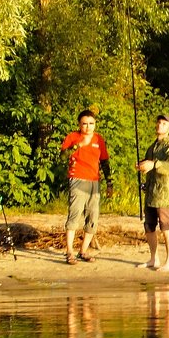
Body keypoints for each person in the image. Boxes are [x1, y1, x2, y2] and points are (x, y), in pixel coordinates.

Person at [60, 109, 111, 264]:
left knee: (93, 216)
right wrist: (77, 146)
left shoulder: (99, 139)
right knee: (74, 215)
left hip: (94, 181)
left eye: (91, 124)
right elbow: (62, 156)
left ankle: (83, 250)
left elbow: (105, 162)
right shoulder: (73, 137)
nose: (88, 127)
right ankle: (69, 251)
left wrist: (109, 182)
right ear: (79, 124)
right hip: (77, 178)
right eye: (85, 124)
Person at [136, 114, 169, 271]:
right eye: (159, 123)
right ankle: (153, 259)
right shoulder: (152, 147)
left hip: (164, 194)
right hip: (151, 192)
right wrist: (142, 165)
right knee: (149, 226)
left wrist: (154, 164)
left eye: (164, 124)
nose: (159, 125)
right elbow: (149, 166)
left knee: (165, 226)